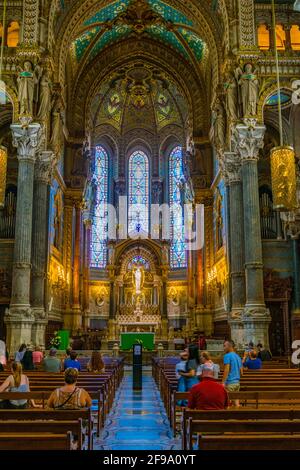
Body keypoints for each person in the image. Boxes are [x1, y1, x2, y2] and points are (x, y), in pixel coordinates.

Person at [222, 340, 243, 407]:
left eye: (224, 346)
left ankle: (228, 417)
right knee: (237, 404)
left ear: (229, 346)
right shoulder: (238, 357)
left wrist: (223, 382)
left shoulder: (227, 356)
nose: (223, 348)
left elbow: (226, 370)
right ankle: (239, 417)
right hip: (237, 383)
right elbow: (241, 372)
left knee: (227, 404)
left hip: (230, 383)